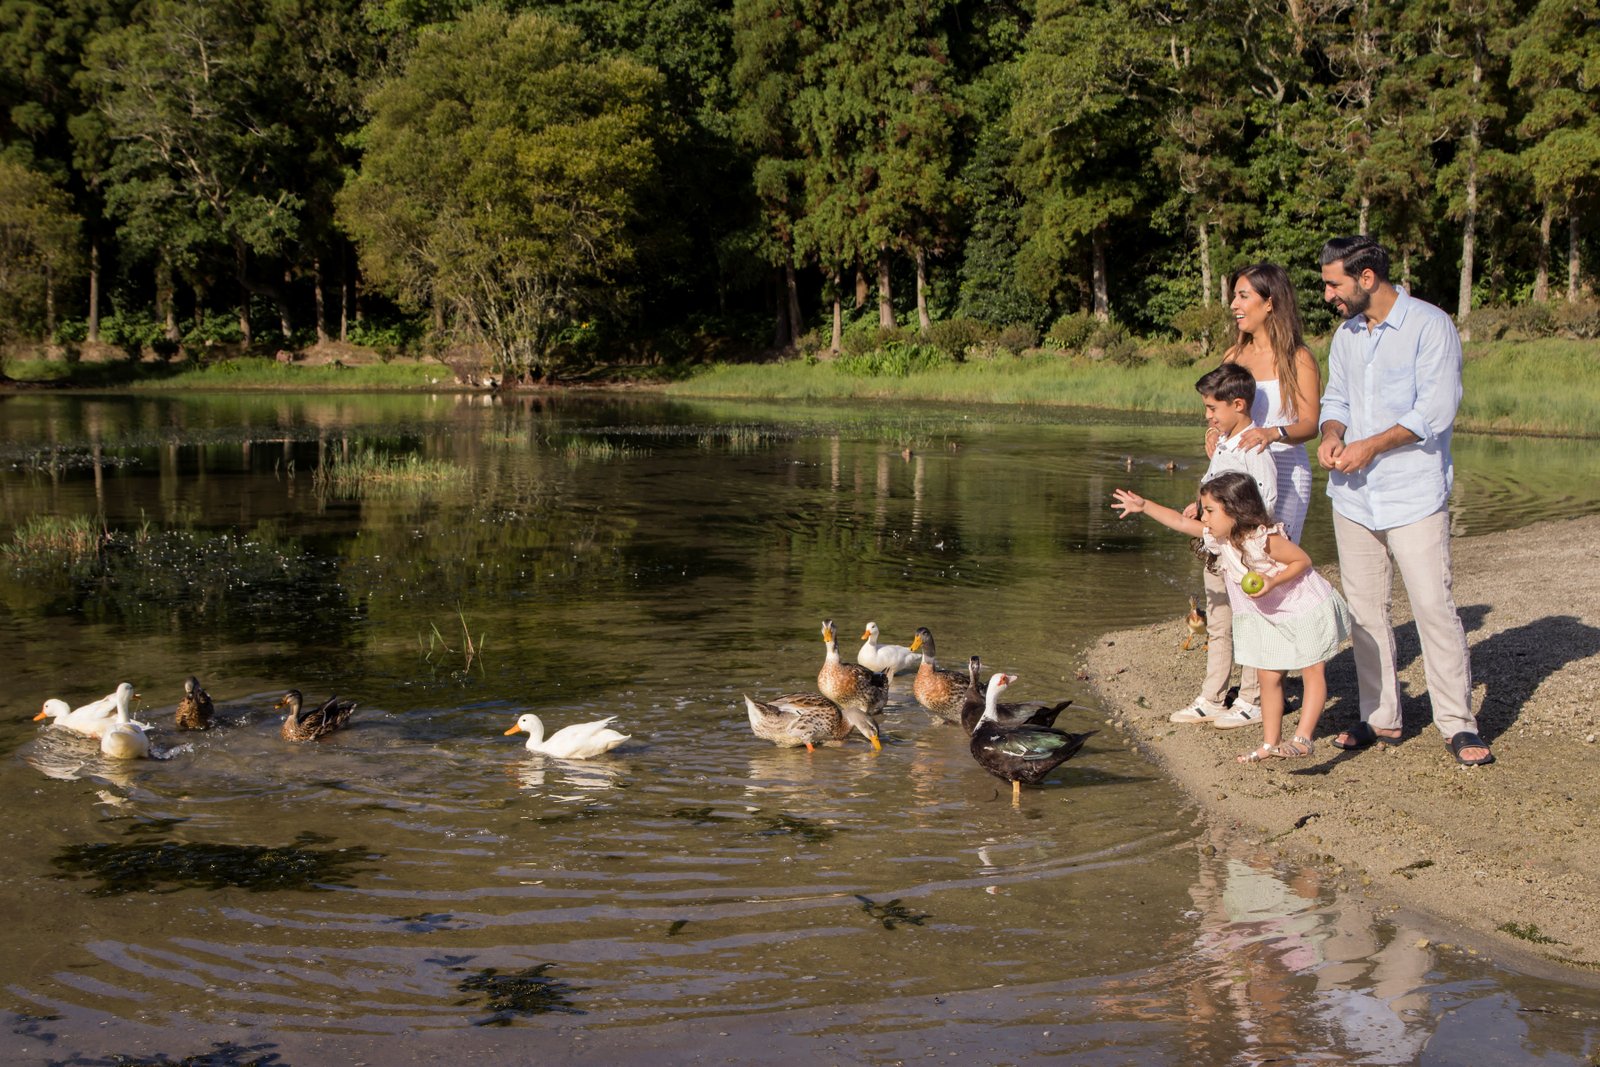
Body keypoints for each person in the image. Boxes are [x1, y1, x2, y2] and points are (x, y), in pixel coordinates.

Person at [1316, 235, 1493, 766]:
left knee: (1433, 608)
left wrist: (1370, 445)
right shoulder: (1346, 335)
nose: (1327, 295)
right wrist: (1332, 434)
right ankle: (1381, 716)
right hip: (1352, 497)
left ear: (1367, 278)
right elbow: (1336, 398)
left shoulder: (1430, 325)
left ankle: (1458, 724)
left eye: (1334, 284)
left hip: (1413, 494)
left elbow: (1435, 410)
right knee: (1365, 612)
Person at [1112, 472, 1353, 762]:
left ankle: (1302, 739)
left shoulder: (1264, 540)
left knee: (1312, 670)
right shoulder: (1221, 538)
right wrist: (1144, 506)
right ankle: (1270, 743)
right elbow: (1180, 522)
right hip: (1271, 616)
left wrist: (1272, 581)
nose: (1204, 518)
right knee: (1267, 676)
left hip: (1303, 608)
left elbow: (1303, 560)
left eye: (1209, 511)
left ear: (1236, 510)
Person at [1169, 363, 1278, 729]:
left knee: (1249, 625)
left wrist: (1228, 526)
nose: (1208, 416)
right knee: (1218, 624)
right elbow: (1214, 488)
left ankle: (1251, 699)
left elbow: (1265, 503)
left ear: (1238, 404)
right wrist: (1198, 507)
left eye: (1212, 408)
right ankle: (1213, 696)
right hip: (1216, 550)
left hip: (1243, 556)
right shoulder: (1223, 444)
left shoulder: (1254, 449)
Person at [1214, 263, 1321, 543]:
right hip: (1238, 474)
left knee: (1276, 557)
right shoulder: (1233, 357)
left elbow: (1310, 425)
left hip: (1286, 473)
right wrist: (1213, 432)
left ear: (1269, 303)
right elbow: (1220, 412)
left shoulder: (1298, 358)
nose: (1234, 305)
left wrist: (1273, 433)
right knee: (1234, 554)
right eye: (1234, 296)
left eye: (1243, 296)